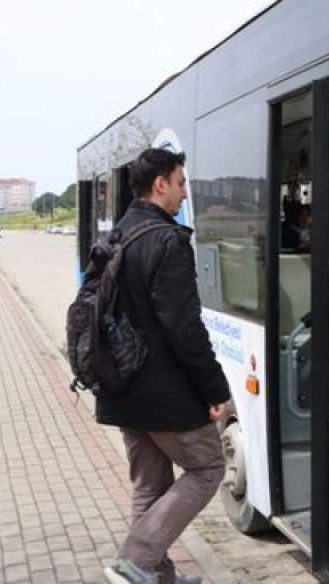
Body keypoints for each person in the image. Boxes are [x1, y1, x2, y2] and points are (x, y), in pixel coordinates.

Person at [97, 148, 230, 584]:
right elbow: (184, 329)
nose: (184, 191)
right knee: (208, 468)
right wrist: (215, 390)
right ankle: (135, 560)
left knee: (150, 487)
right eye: (181, 182)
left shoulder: (116, 236)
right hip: (164, 393)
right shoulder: (168, 240)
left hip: (121, 385)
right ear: (161, 184)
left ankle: (155, 577)